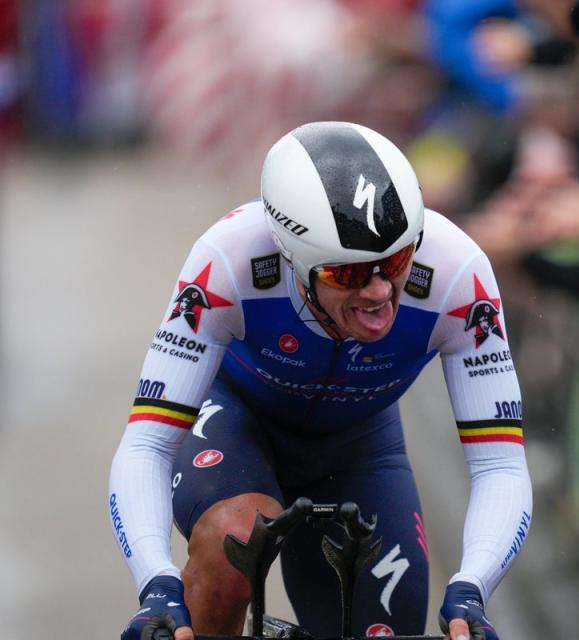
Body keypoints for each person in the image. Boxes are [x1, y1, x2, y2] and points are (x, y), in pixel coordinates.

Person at [110, 122, 533, 640]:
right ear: (293, 257)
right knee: (235, 543)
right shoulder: (228, 258)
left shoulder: (457, 273)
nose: (380, 292)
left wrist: (473, 585)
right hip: (238, 419)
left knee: (383, 629)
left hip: (358, 446)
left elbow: (500, 463)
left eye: (397, 261)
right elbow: (148, 443)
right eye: (350, 275)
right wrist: (155, 582)